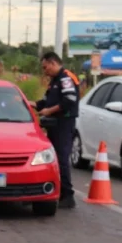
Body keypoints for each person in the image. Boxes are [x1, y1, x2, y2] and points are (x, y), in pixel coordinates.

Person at [36, 52, 79, 210]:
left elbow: (69, 101)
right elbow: (46, 101)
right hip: (54, 124)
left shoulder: (66, 78)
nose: (44, 71)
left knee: (61, 159)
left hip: (64, 123)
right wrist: (31, 103)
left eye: (45, 67)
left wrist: (49, 111)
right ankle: (57, 192)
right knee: (52, 159)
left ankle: (68, 196)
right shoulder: (54, 81)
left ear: (53, 63)